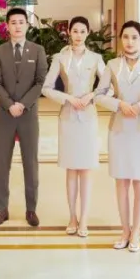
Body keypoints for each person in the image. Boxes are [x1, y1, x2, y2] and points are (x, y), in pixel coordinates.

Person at [95, 21, 140, 252]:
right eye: (126, 37)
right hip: (119, 129)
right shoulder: (112, 65)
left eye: (134, 37)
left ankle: (136, 232)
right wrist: (119, 104)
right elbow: (99, 94)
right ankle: (125, 230)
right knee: (122, 181)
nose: (130, 41)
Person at [42, 16, 108, 237]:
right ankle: (72, 216)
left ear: (88, 33)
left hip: (88, 118)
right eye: (75, 31)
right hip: (68, 117)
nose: (78, 35)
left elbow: (108, 87)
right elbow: (46, 88)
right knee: (71, 169)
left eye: (82, 31)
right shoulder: (60, 58)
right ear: (69, 32)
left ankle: (84, 219)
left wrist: (91, 95)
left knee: (86, 170)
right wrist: (68, 98)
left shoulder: (96, 58)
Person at [0, 8, 48, 227]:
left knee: (30, 163)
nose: (17, 26)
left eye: (21, 22)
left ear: (27, 25)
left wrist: (22, 104)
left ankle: (31, 209)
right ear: (7, 26)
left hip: (28, 115)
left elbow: (40, 82)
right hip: (5, 114)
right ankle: (1, 209)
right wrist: (9, 105)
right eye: (13, 22)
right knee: (2, 163)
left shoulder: (38, 51)